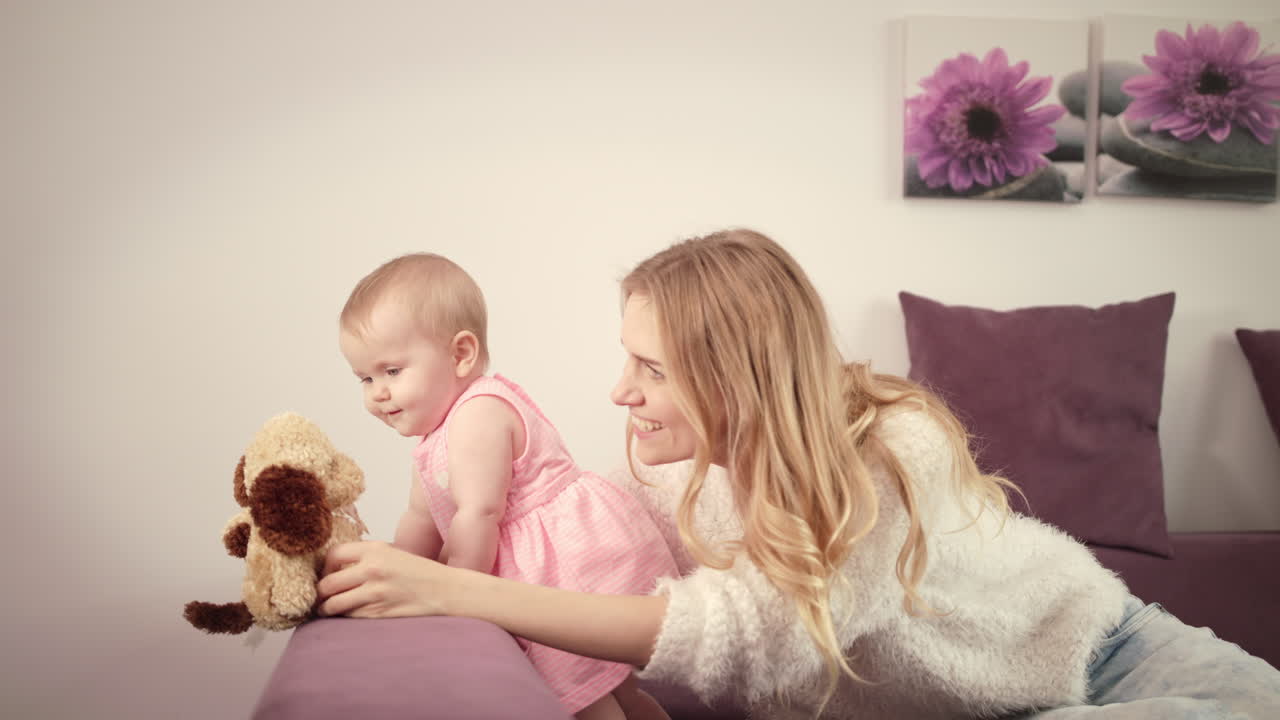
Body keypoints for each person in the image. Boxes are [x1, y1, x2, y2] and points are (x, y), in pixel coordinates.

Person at [320, 231, 1280, 718]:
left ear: (736, 373)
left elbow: (755, 637)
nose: (619, 392)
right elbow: (560, 548)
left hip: (1113, 660)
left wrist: (455, 588)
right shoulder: (684, 483)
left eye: (651, 369)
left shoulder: (889, 451)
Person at [337, 253, 678, 720]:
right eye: (365, 378)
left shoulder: (479, 413)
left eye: (392, 372)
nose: (378, 392)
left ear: (461, 355)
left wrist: (451, 592)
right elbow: (420, 520)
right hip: (533, 566)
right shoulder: (431, 440)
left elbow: (479, 513)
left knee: (583, 697)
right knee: (616, 694)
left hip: (563, 564)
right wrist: (394, 570)